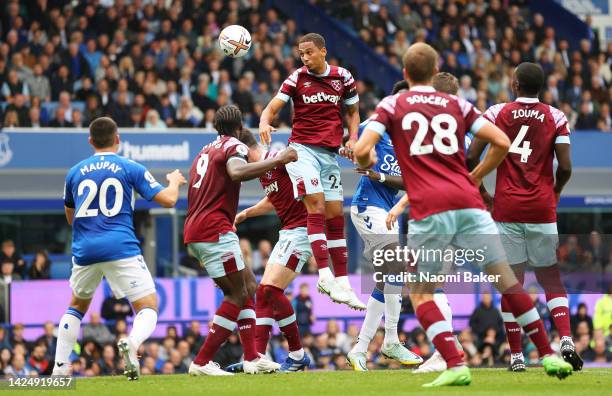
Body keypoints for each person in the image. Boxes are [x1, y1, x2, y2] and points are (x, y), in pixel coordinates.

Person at [354, 43, 573, 387]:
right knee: (508, 281)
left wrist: (368, 165)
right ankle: (547, 353)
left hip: (431, 207)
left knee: (422, 291)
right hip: (470, 202)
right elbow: (500, 142)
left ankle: (455, 362)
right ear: (435, 70)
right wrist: (475, 177)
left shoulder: (393, 104)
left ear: (406, 75)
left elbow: (363, 151)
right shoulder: (458, 104)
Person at [468, 62, 582, 372]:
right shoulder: (556, 116)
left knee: (512, 283)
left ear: (515, 85)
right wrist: (555, 191)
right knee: (550, 277)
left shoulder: (496, 113)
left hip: (507, 208)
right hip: (542, 208)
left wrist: (486, 194)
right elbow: (567, 166)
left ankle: (517, 355)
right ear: (541, 87)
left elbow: (470, 158)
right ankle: (567, 339)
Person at [52, 116, 187, 381]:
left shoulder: (75, 172)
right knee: (148, 306)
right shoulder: (129, 167)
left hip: (85, 248)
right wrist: (174, 181)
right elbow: (169, 200)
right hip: (120, 246)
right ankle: (133, 343)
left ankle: (58, 369)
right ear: (118, 140)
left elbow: (71, 218)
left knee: (77, 306)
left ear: (90, 141)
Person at [184, 105, 296, 376]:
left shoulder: (204, 150)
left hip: (196, 230)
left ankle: (252, 357)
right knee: (237, 293)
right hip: (215, 231)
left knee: (247, 286)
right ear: (239, 126)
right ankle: (201, 362)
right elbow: (236, 172)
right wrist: (278, 160)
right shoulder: (234, 145)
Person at [259, 33, 365, 310]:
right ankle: (324, 274)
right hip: (302, 151)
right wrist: (264, 121)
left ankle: (342, 281)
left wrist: (352, 139)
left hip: (329, 153)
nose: (304, 58)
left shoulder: (343, 77)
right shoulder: (296, 78)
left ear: (323, 51)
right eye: (301, 54)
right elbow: (272, 107)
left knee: (334, 215)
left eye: (308, 52)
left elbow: (353, 113)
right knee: (315, 206)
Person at [347, 79, 422, 371]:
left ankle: (361, 347)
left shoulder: (412, 141)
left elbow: (410, 183)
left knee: (388, 279)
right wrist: (350, 148)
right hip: (367, 207)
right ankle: (390, 340)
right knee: (397, 264)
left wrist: (380, 177)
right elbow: (353, 145)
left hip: (389, 211)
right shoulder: (373, 127)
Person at [233, 129, 312, 372]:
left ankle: (298, 354)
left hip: (303, 230)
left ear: (246, 152)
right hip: (288, 231)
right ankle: (257, 357)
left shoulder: (280, 159)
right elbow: (272, 200)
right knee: (263, 293)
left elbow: (309, 178)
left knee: (270, 289)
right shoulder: (264, 171)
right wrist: (246, 213)